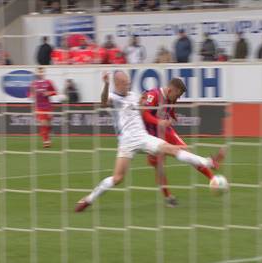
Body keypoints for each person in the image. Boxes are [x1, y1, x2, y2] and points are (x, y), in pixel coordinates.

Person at [75, 71, 225, 212]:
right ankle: (88, 200)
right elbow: (103, 103)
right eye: (124, 83)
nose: (128, 86)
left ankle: (209, 162)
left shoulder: (134, 95)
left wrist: (157, 111)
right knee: (118, 178)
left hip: (143, 137)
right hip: (126, 142)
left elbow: (144, 110)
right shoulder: (113, 98)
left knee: (174, 149)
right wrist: (106, 84)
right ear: (117, 84)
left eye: (128, 83)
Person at [141, 78, 216, 207]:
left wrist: (173, 117)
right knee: (160, 167)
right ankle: (168, 197)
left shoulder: (171, 98)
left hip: (166, 131)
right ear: (171, 90)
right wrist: (159, 122)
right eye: (178, 95)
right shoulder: (153, 95)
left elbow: (170, 111)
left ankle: (213, 179)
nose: (178, 98)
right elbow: (144, 114)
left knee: (187, 152)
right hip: (151, 135)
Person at [28, 67, 57, 148]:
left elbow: (55, 92)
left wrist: (49, 93)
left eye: (42, 72)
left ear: (44, 73)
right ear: (37, 73)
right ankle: (46, 141)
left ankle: (48, 134)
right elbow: (29, 94)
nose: (40, 73)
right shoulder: (33, 84)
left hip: (48, 106)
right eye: (39, 72)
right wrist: (32, 95)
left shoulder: (48, 82)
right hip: (39, 107)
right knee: (43, 123)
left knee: (48, 124)